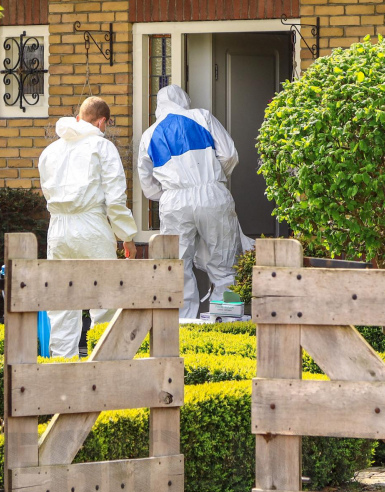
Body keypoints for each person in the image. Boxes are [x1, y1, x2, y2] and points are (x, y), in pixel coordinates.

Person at [39, 96, 138, 358]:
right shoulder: (101, 147)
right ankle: (103, 363)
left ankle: (62, 367)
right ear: (102, 120)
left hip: (58, 229)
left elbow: (47, 191)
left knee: (61, 301)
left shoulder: (50, 151)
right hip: (91, 225)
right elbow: (115, 199)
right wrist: (126, 236)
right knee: (104, 298)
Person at [138, 84, 248, 318]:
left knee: (177, 266)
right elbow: (229, 155)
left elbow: (147, 184)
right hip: (211, 195)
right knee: (225, 264)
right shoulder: (201, 116)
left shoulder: (149, 134)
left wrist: (169, 194)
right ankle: (228, 324)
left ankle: (182, 327)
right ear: (184, 101)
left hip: (174, 202)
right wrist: (213, 180)